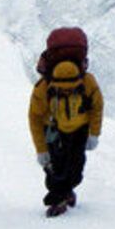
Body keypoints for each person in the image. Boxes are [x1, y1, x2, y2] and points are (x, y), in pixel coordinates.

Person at [28, 27, 103, 217]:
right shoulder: (86, 82)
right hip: (62, 129)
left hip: (71, 130)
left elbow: (97, 106)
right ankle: (58, 199)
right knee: (57, 168)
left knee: (72, 167)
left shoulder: (45, 86)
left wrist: (94, 133)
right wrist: (41, 149)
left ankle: (66, 192)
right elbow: (35, 118)